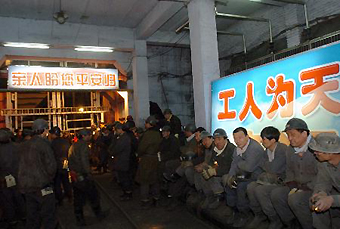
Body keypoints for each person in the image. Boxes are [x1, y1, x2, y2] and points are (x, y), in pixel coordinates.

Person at [270, 118, 318, 229]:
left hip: (314, 188)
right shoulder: (290, 149)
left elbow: (322, 176)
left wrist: (304, 188)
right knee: (276, 194)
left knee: (295, 199)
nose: (290, 138)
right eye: (288, 135)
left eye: (293, 135)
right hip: (297, 185)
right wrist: (291, 185)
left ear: (304, 133)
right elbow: (289, 170)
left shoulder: (317, 148)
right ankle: (291, 223)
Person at [18, 119, 57, 229]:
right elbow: (51, 167)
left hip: (27, 188)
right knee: (48, 216)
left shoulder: (23, 145)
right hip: (43, 186)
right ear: (44, 130)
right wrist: (49, 180)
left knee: (32, 218)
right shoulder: (44, 145)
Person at [246, 126, 288, 229]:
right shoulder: (266, 151)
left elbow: (273, 169)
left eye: (263, 138)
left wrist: (267, 165)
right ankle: (259, 215)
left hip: (282, 182)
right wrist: (268, 165)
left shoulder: (282, 149)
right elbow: (262, 165)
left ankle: (275, 218)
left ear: (273, 140)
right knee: (251, 187)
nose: (261, 141)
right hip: (268, 180)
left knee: (260, 190)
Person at [224, 127, 265, 228]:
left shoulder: (255, 148)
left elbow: (249, 167)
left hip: (255, 176)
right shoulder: (237, 148)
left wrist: (239, 163)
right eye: (235, 138)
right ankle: (234, 210)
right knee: (227, 181)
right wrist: (230, 176)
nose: (237, 141)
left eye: (240, 138)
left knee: (241, 186)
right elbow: (234, 163)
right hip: (242, 175)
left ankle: (244, 214)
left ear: (247, 137)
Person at [68, 129, 108, 226]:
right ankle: (99, 214)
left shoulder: (73, 145)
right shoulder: (83, 146)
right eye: (89, 135)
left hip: (75, 175)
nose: (90, 136)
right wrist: (88, 172)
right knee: (93, 195)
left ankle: (79, 219)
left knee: (78, 198)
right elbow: (84, 160)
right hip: (83, 175)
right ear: (85, 136)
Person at [309, 133, 340, 229]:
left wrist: (332, 200)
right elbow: (322, 181)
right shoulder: (323, 163)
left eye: (318, 151)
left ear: (330, 152)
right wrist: (321, 193)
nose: (315, 153)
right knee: (317, 202)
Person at [199, 129, 236, 209]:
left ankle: (219, 197)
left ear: (225, 139)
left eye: (219, 139)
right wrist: (210, 167)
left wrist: (215, 171)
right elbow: (213, 161)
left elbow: (230, 167)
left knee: (219, 177)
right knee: (204, 172)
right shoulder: (215, 149)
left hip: (229, 173)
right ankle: (209, 197)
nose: (217, 142)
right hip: (219, 170)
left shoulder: (231, 149)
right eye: (215, 140)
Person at [135, 116, 162, 208]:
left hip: (146, 159)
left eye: (146, 123)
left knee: (144, 180)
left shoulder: (147, 134)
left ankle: (145, 200)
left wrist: (138, 155)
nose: (145, 124)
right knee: (155, 180)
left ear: (149, 124)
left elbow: (142, 147)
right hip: (155, 158)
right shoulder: (158, 133)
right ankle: (156, 199)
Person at [0, 129, 25, 227]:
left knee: (7, 198)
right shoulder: (17, 147)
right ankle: (23, 214)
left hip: (4, 177)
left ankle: (11, 218)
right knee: (18, 196)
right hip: (17, 175)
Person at [109, 123, 133, 201]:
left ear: (120, 129)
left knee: (124, 178)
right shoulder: (121, 137)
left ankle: (128, 193)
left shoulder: (124, 138)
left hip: (123, 161)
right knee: (122, 178)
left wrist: (111, 152)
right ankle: (125, 192)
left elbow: (117, 148)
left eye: (116, 130)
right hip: (121, 160)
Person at [49, 126, 72, 205]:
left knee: (57, 183)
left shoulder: (52, 143)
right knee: (66, 181)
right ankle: (69, 196)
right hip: (65, 163)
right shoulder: (65, 141)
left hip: (56, 164)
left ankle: (60, 199)